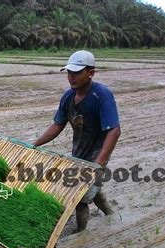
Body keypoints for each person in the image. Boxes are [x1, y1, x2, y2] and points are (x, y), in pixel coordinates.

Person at [33, 50, 121, 233]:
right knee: (91, 189)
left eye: (76, 72)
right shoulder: (68, 97)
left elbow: (114, 130)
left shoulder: (102, 95)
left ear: (90, 73)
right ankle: (110, 213)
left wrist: (100, 162)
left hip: (98, 150)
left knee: (79, 196)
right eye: (69, 73)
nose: (71, 77)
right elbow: (57, 125)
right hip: (79, 150)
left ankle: (80, 233)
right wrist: (34, 144)